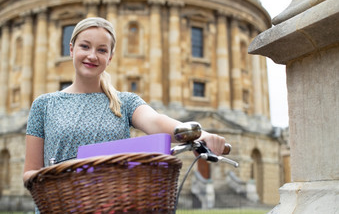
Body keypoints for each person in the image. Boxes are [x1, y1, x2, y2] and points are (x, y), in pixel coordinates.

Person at [23, 17, 226, 183]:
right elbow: (29, 173)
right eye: (85, 46)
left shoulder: (125, 102)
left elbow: (156, 122)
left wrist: (200, 135)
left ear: (110, 58)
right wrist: (56, 181)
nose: (92, 56)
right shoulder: (44, 104)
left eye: (102, 50)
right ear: (71, 49)